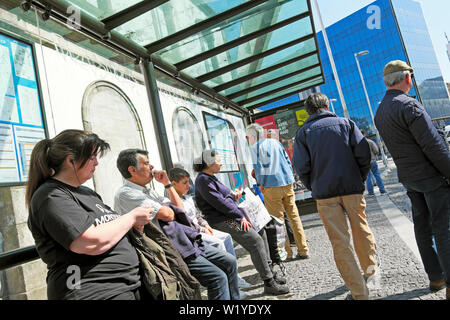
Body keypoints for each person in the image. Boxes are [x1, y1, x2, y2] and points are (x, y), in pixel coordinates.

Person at [26, 129, 153, 300]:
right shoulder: (50, 196)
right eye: (92, 157)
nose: (96, 163)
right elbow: (90, 242)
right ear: (71, 160)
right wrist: (131, 217)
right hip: (92, 290)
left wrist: (133, 226)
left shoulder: (87, 193)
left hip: (128, 284)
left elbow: (110, 228)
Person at [113, 149, 240, 300]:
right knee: (217, 277)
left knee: (230, 261)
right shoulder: (126, 193)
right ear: (132, 170)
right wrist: (169, 209)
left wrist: (167, 183)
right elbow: (168, 214)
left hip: (182, 239)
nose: (152, 166)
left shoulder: (150, 192)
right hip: (166, 248)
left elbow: (179, 209)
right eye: (146, 163)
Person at [375, 60, 450, 300]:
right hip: (430, 176)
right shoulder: (410, 106)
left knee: (422, 226)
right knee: (443, 228)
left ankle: (435, 277)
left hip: (409, 178)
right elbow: (433, 145)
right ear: (406, 78)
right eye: (411, 75)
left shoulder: (381, 110)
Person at [292, 93, 378, 300]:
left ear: (308, 111)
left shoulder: (303, 133)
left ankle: (359, 294)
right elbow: (364, 153)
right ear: (327, 105)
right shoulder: (346, 124)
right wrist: (360, 178)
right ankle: (372, 274)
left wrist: (313, 185)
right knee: (361, 228)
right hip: (352, 188)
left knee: (340, 242)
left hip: (325, 194)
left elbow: (301, 166)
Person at [194, 150, 289, 295]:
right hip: (224, 220)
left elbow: (224, 197)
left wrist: (233, 195)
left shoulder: (209, 177)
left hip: (230, 216)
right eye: (218, 160)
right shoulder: (203, 180)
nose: (221, 163)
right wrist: (240, 217)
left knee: (261, 232)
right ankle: (269, 282)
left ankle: (270, 272)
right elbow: (220, 203)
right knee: (255, 240)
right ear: (209, 163)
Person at [168, 167, 251, 290]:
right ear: (173, 184)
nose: (188, 185)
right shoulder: (176, 200)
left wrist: (205, 225)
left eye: (188, 181)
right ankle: (230, 283)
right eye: (184, 183)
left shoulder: (188, 197)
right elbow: (186, 221)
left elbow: (196, 215)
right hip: (196, 231)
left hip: (207, 226)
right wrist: (202, 229)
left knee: (226, 237)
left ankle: (235, 277)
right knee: (219, 243)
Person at [246, 123, 309, 261]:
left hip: (270, 186)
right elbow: (287, 161)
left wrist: (260, 184)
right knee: (294, 216)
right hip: (287, 183)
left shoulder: (255, 148)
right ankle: (303, 250)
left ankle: (286, 253)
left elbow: (259, 169)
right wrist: (290, 177)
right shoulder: (275, 143)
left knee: (278, 222)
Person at [360, 129, 387, 196]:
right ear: (365, 134)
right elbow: (376, 151)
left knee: (368, 178)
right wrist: (374, 155)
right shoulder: (370, 141)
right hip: (373, 161)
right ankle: (382, 190)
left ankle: (371, 193)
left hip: (364, 163)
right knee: (377, 175)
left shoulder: (358, 144)